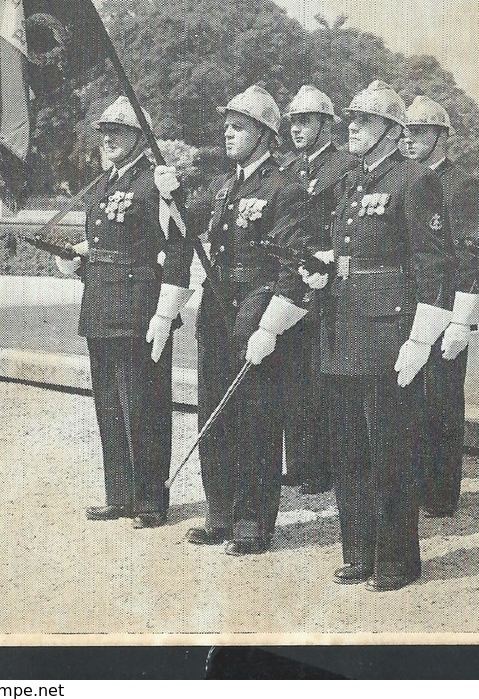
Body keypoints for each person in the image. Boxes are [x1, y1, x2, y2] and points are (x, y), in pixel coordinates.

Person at [302, 80, 459, 592]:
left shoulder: (414, 181)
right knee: (348, 449)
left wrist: (420, 339)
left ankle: (396, 559)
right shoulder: (351, 182)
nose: (351, 127)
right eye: (349, 120)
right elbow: (349, 251)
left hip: (389, 336)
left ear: (391, 131)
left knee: (392, 451)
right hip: (343, 331)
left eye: (363, 121)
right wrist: (323, 270)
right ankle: (358, 550)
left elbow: (435, 265)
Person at [154, 84, 307, 555]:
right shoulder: (225, 187)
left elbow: (292, 268)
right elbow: (184, 230)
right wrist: (171, 195)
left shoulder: (285, 189)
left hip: (257, 307)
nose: (227, 133)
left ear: (264, 134)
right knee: (214, 413)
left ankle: (252, 521)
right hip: (218, 308)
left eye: (238, 127)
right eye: (226, 126)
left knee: (256, 419)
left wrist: (270, 325)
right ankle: (219, 511)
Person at [56, 97, 193, 529]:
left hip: (139, 307)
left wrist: (165, 312)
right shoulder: (100, 185)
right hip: (100, 303)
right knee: (109, 406)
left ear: (139, 137)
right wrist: (75, 257)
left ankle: (151, 499)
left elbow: (178, 246)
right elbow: (102, 242)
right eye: (105, 132)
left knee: (145, 405)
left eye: (119, 131)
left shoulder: (157, 184)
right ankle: (120, 494)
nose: (109, 138)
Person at [404, 95, 479, 517]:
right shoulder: (404, 181)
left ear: (442, 137)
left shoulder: (463, 187)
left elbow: (472, 257)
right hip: (410, 309)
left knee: (439, 403)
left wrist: (462, 322)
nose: (411, 139)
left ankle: (439, 493)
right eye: (406, 131)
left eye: (420, 131)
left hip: (447, 309)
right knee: (408, 402)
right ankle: (412, 484)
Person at [279, 85, 351, 495]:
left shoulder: (343, 167)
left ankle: (323, 466)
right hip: (293, 278)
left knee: (320, 377)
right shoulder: (290, 169)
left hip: (326, 283)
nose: (297, 129)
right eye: (293, 122)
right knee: (293, 377)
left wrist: (328, 258)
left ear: (326, 124)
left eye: (305, 121)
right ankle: (300, 462)